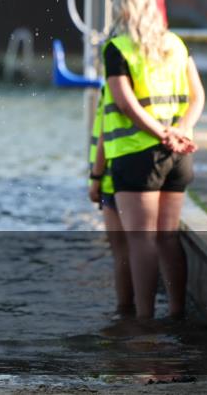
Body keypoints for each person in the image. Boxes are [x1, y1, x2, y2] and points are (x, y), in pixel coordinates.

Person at [101, 0, 204, 320]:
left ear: (120, 9)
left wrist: (162, 134)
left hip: (136, 157)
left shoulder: (117, 48)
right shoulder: (175, 44)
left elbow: (127, 105)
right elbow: (197, 95)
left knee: (140, 241)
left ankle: (143, 321)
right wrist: (181, 132)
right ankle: (176, 314)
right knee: (167, 238)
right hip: (177, 156)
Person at [87, 90, 134, 318]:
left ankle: (126, 313)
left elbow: (107, 131)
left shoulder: (115, 80)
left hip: (113, 176)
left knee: (122, 253)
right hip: (159, 163)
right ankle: (160, 316)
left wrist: (95, 176)